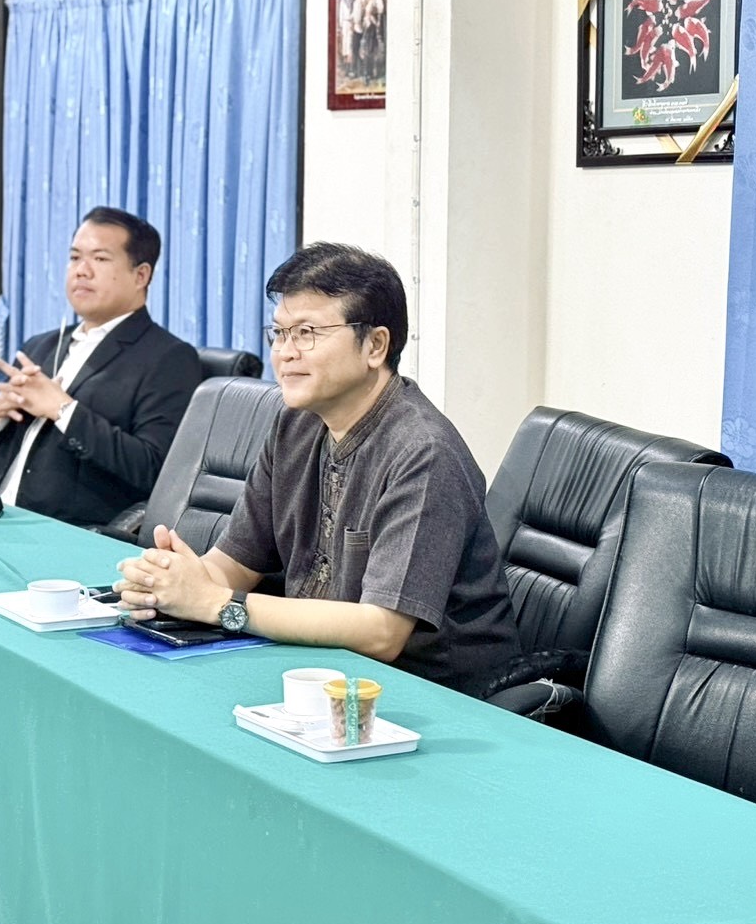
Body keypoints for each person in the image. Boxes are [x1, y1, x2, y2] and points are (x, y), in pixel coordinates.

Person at [113, 243, 522, 696]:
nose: (285, 352)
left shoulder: (423, 451)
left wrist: (216, 605)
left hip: (434, 694)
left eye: (307, 333)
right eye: (279, 333)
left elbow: (382, 632)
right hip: (320, 671)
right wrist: (170, 583)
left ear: (375, 345)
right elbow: (235, 565)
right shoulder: (295, 424)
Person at [0, 207, 200, 527]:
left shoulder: (169, 358)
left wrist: (63, 410)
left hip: (65, 531)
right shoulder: (39, 346)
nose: (81, 270)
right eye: (74, 257)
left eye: (100, 258)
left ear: (141, 275)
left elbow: (153, 469)